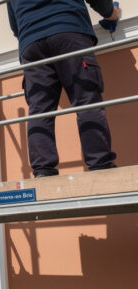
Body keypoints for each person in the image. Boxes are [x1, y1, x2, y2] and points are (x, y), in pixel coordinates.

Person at [7, 0, 121, 177]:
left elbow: (15, 26)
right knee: (86, 101)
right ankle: (100, 165)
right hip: (68, 31)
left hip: (31, 43)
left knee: (39, 110)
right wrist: (112, 13)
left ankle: (43, 171)